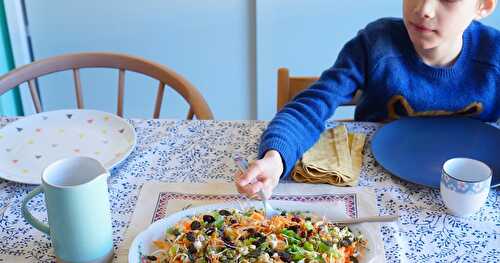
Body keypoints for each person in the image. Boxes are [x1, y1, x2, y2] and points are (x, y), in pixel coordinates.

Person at [236, 0, 499, 198]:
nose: (424, 8)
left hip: (470, 195)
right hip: (372, 189)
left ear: (483, 5)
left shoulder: (494, 55)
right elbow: (312, 106)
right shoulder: (376, 44)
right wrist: (275, 158)